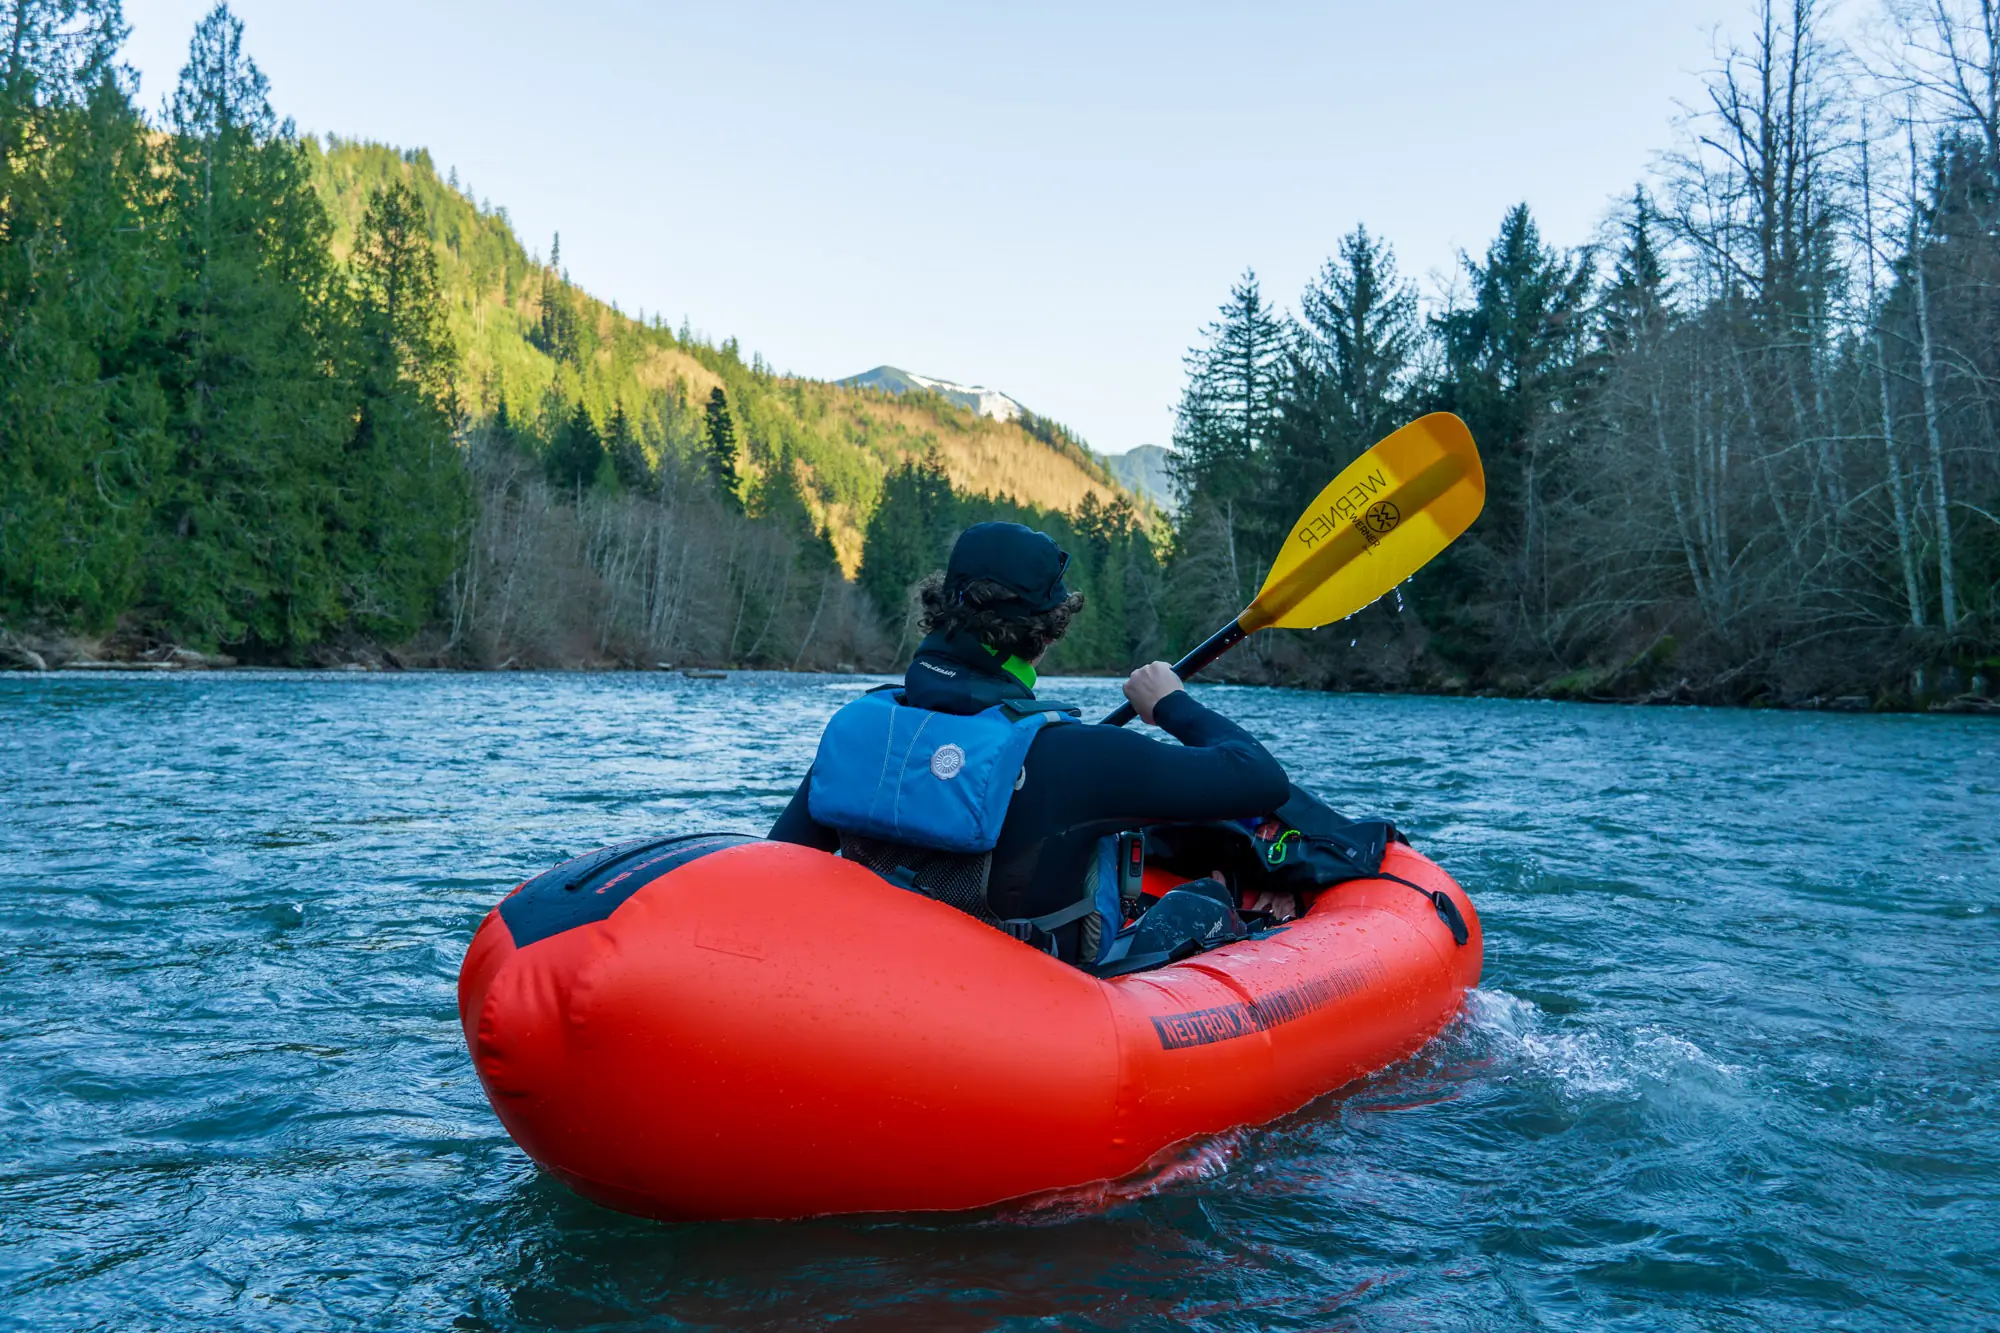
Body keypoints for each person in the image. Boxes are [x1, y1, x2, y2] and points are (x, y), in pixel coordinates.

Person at [769, 520, 1292, 967]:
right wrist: (1169, 704)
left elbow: (778, 868)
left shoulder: (861, 730)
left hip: (881, 977)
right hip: (1024, 1013)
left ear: (942, 607)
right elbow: (1260, 778)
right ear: (1046, 633)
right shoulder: (1078, 754)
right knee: (1204, 900)